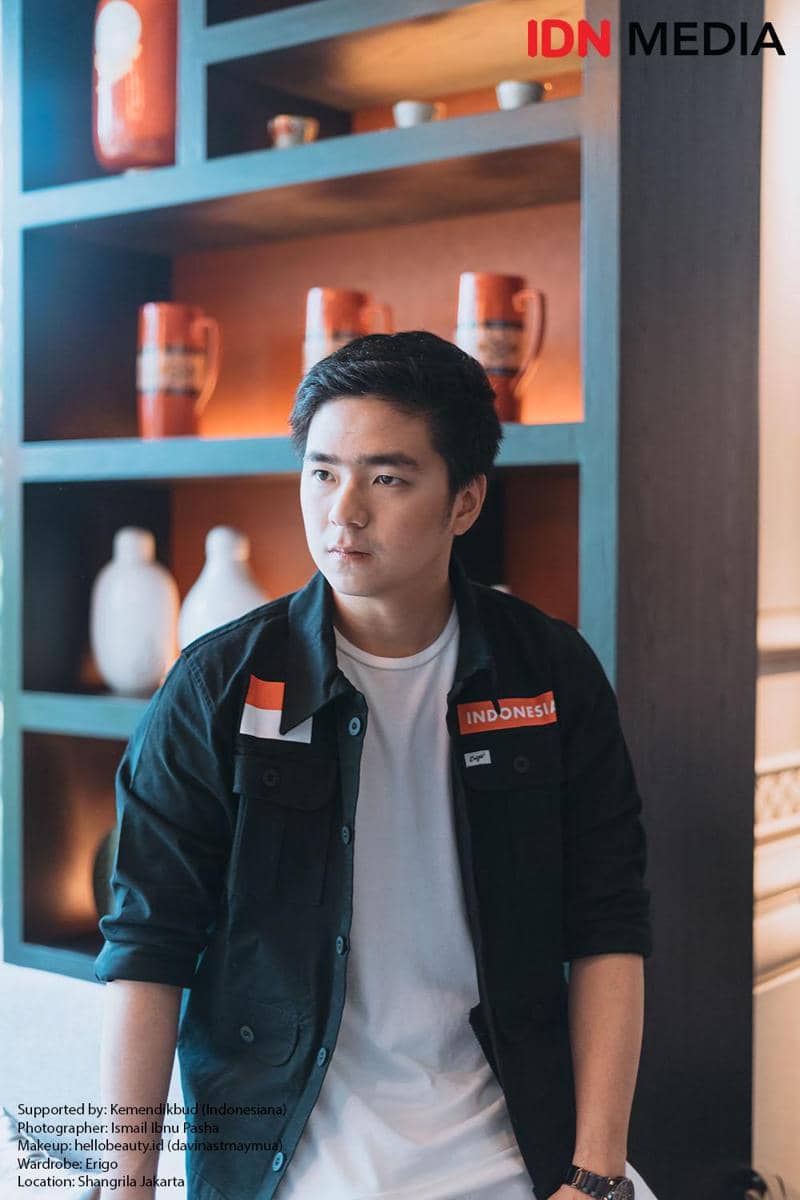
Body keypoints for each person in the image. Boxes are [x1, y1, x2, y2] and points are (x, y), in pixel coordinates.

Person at [95, 331, 656, 1200]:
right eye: (322, 473)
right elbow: (148, 944)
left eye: (386, 479)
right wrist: (124, 1183)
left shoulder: (549, 673)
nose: (343, 512)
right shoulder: (218, 686)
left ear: (464, 501)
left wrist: (595, 1174)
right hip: (291, 1152)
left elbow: (608, 925)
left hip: (521, 1142)